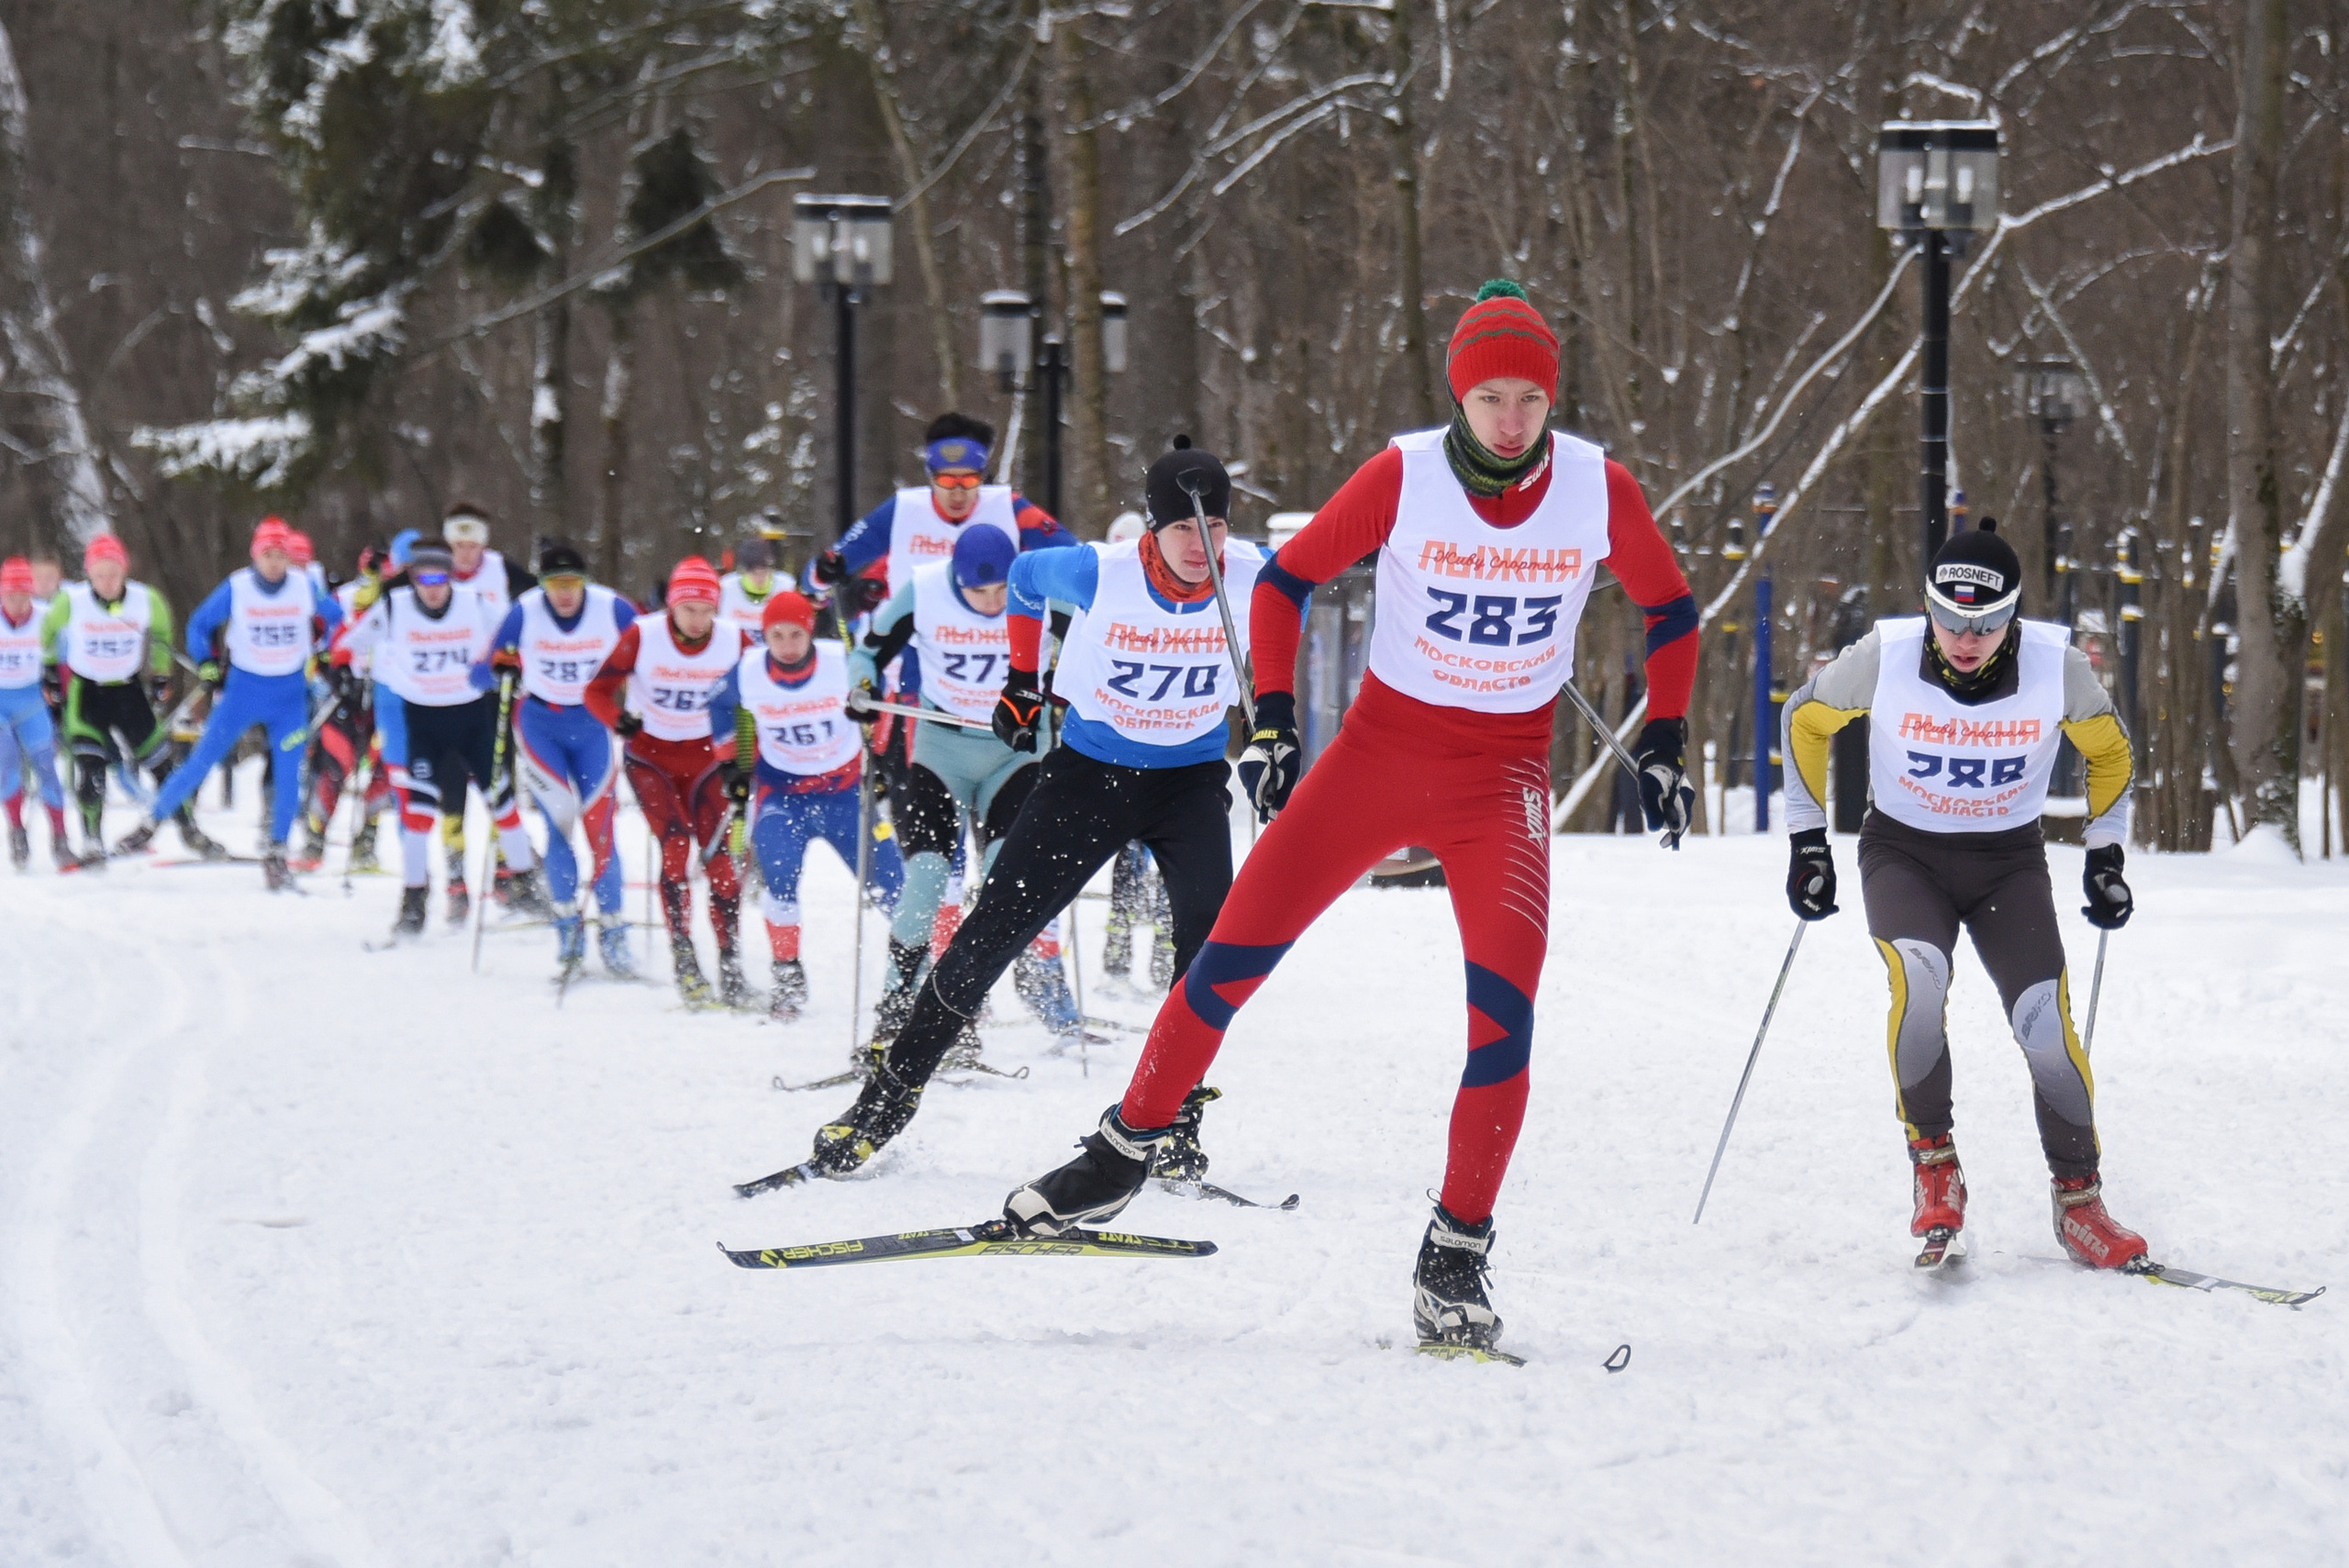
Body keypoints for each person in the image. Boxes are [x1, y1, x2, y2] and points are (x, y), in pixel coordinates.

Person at [1000, 282, 1700, 1357]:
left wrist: (1665, 733)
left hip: (1501, 779)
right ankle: (1123, 1148)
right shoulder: (1404, 473)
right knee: (1227, 959)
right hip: (1374, 758)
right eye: (1489, 397)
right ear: (1458, 396)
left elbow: (1669, 605)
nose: (1510, 420)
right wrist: (1273, 722)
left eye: (1527, 398)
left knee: (1503, 1022)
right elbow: (1284, 580)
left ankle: (1456, 1246)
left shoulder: (1597, 488)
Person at [774, 439, 1268, 1184]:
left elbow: (1314, 579)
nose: (1203, 547)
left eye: (1217, 530)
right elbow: (1023, 581)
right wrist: (1021, 678)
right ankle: (885, 1101)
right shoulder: (1095, 570)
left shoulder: (1253, 572)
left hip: (1190, 780)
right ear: (1151, 527)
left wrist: (1279, 720)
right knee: (987, 938)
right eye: (1183, 531)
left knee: (1205, 954)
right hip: (1091, 776)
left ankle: (1173, 1118)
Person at [1779, 519, 2145, 1272]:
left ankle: (2080, 1199)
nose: (1964, 636)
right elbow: (1805, 719)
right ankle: (1934, 1162)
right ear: (1927, 606)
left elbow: (2110, 752)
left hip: (2007, 862)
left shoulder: (2057, 666)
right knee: (1919, 976)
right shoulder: (1884, 655)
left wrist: (2105, 855)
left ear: (2013, 615)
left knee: (2043, 1017)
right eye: (1947, 617)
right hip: (1904, 852)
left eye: (1985, 621)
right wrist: (1807, 839)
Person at [847, 524, 1052, 1052]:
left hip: (1016, 752)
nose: (991, 603)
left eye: (1001, 591)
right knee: (927, 878)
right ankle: (895, 1010)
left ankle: (955, 1009)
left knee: (1004, 887)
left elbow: (1097, 643)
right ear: (955, 581)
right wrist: (862, 687)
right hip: (941, 749)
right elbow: (868, 652)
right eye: (977, 592)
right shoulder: (925, 589)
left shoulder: (1043, 585)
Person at [111, 519, 343, 887]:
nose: (274, 563)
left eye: (280, 555)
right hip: (242, 694)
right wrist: (206, 662)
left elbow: (337, 620)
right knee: (201, 761)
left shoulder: (303, 587)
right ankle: (149, 824)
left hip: (289, 699)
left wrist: (328, 653)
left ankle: (278, 850)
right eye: (267, 554)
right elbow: (200, 624)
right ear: (256, 555)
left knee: (288, 774)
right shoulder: (239, 586)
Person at [704, 589, 903, 1017]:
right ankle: (788, 974)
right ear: (765, 635)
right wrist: (730, 765)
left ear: (810, 632)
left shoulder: (839, 661)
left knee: (892, 885)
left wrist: (880, 752)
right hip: (783, 795)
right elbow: (719, 703)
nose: (787, 645)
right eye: (777, 635)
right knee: (780, 883)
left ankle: (926, 967)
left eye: (796, 634)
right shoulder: (750, 670)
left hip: (845, 792)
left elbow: (885, 691)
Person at [336, 539, 551, 935]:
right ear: (413, 578)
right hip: (424, 724)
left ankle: (524, 883)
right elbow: (346, 646)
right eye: (424, 578)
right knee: (418, 815)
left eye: (441, 577)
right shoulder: (394, 607)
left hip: (472, 721)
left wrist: (509, 664)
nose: (433, 587)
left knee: (502, 805)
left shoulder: (474, 603)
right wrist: (345, 673)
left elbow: (515, 635)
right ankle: (414, 900)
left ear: (452, 576)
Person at [586, 556, 754, 1006]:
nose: (698, 620)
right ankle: (684, 958)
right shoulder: (643, 634)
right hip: (652, 759)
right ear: (672, 607)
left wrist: (744, 760)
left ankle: (730, 963)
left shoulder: (735, 639)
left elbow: (754, 701)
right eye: (688, 609)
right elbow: (595, 690)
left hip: (706, 763)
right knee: (677, 845)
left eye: (706, 610)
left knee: (720, 862)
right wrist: (617, 719)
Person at [481, 540, 635, 975]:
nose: (564, 593)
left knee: (601, 828)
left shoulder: (613, 608)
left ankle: (613, 930)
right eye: (554, 583)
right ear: (543, 583)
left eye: (572, 582)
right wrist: (502, 666)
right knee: (558, 825)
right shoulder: (524, 610)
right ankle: (568, 928)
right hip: (540, 726)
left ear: (585, 581)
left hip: (592, 726)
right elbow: (489, 661)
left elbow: (650, 650)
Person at [41, 533, 218, 862]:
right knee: (91, 769)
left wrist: (161, 674)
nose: (107, 582)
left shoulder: (145, 599)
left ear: (125, 571)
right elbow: (47, 633)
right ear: (88, 575)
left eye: (113, 573)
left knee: (162, 765)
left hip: (128, 691)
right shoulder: (72, 600)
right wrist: (50, 673)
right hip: (86, 694)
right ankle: (93, 841)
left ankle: (191, 831)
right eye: (99, 575)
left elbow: (164, 633)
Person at [439, 504, 538, 913]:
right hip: (443, 692)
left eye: (472, 545)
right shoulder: (432, 572)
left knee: (500, 780)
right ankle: (456, 877)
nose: (465, 554)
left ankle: (504, 873)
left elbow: (539, 606)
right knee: (451, 786)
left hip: (493, 692)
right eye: (458, 545)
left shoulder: (502, 570)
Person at [299, 540, 395, 872]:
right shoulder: (343, 598)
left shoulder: (402, 602)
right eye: (373, 570)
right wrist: (331, 671)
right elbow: (316, 642)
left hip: (384, 696)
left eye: (385, 571)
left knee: (384, 770)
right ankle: (314, 840)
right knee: (337, 766)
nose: (378, 577)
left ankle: (366, 845)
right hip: (344, 694)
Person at [1, 555, 71, 870]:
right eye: (11, 595)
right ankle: (16, 829)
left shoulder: (46, 618)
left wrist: (63, 697)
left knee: (45, 764)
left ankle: (60, 836)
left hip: (32, 701)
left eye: (23, 595)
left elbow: (66, 662)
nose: (18, 603)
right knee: (7, 760)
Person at [718, 537, 785, 638]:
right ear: (744, 571)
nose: (760, 578)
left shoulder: (784, 587)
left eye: (764, 572)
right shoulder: (727, 587)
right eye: (755, 573)